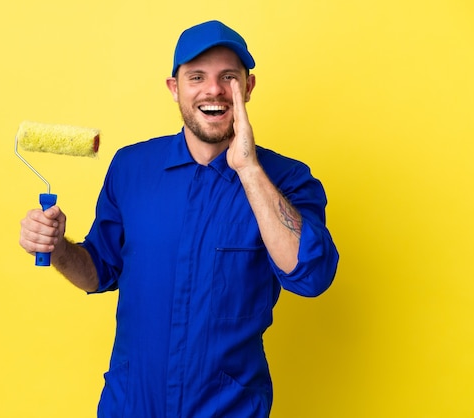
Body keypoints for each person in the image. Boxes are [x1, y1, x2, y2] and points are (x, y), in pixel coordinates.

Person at [19, 20, 339, 418]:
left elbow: (311, 276)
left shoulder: (287, 180)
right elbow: (99, 272)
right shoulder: (131, 167)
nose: (214, 90)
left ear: (249, 87)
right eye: (197, 77)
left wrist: (249, 169)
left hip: (228, 409)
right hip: (130, 405)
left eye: (229, 78)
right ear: (175, 88)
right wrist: (58, 248)